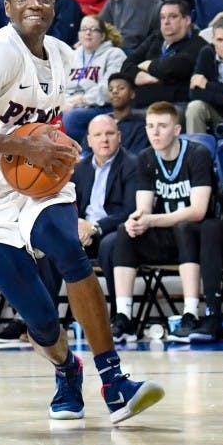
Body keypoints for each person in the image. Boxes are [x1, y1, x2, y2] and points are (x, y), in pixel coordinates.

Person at [0, 0, 164, 423]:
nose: (34, 3)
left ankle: (115, 381)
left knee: (68, 249)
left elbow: (42, 120)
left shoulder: (62, 54)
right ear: (7, 8)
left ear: (55, 6)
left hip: (36, 183)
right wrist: (22, 145)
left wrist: (56, 146)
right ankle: (66, 369)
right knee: (38, 314)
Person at [111, 101, 215, 343]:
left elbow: (198, 211)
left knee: (184, 228)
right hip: (163, 234)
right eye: (150, 126)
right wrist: (137, 220)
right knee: (124, 231)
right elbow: (143, 207)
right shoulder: (145, 158)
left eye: (162, 126)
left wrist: (150, 220)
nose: (155, 132)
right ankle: (124, 317)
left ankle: (190, 313)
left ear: (177, 130)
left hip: (199, 236)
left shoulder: (197, 154)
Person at [74, 114, 139, 310]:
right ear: (89, 140)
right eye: (98, 135)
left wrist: (94, 227)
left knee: (111, 245)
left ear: (119, 136)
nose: (104, 139)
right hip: (84, 234)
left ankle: (118, 314)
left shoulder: (132, 165)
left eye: (110, 133)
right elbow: (70, 206)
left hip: (113, 232)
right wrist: (77, 227)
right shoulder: (79, 169)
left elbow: (130, 210)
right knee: (55, 245)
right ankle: (43, 321)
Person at [120, 0, 208, 108]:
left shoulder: (198, 44)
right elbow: (126, 65)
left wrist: (147, 65)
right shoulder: (155, 39)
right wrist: (140, 75)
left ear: (187, 20)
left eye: (173, 16)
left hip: (174, 106)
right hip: (141, 104)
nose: (166, 22)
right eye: (162, 17)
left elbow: (171, 68)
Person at [61, 16, 127, 144]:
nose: (88, 32)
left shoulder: (114, 54)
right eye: (84, 29)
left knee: (71, 117)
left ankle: (85, 154)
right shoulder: (71, 56)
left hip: (101, 106)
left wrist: (81, 100)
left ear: (102, 36)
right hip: (70, 104)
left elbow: (109, 88)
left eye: (93, 29)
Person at [106, 71, 147, 152]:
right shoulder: (100, 122)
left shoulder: (140, 126)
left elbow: (135, 159)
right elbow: (85, 153)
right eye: (110, 89)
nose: (114, 91)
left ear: (132, 94)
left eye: (121, 88)